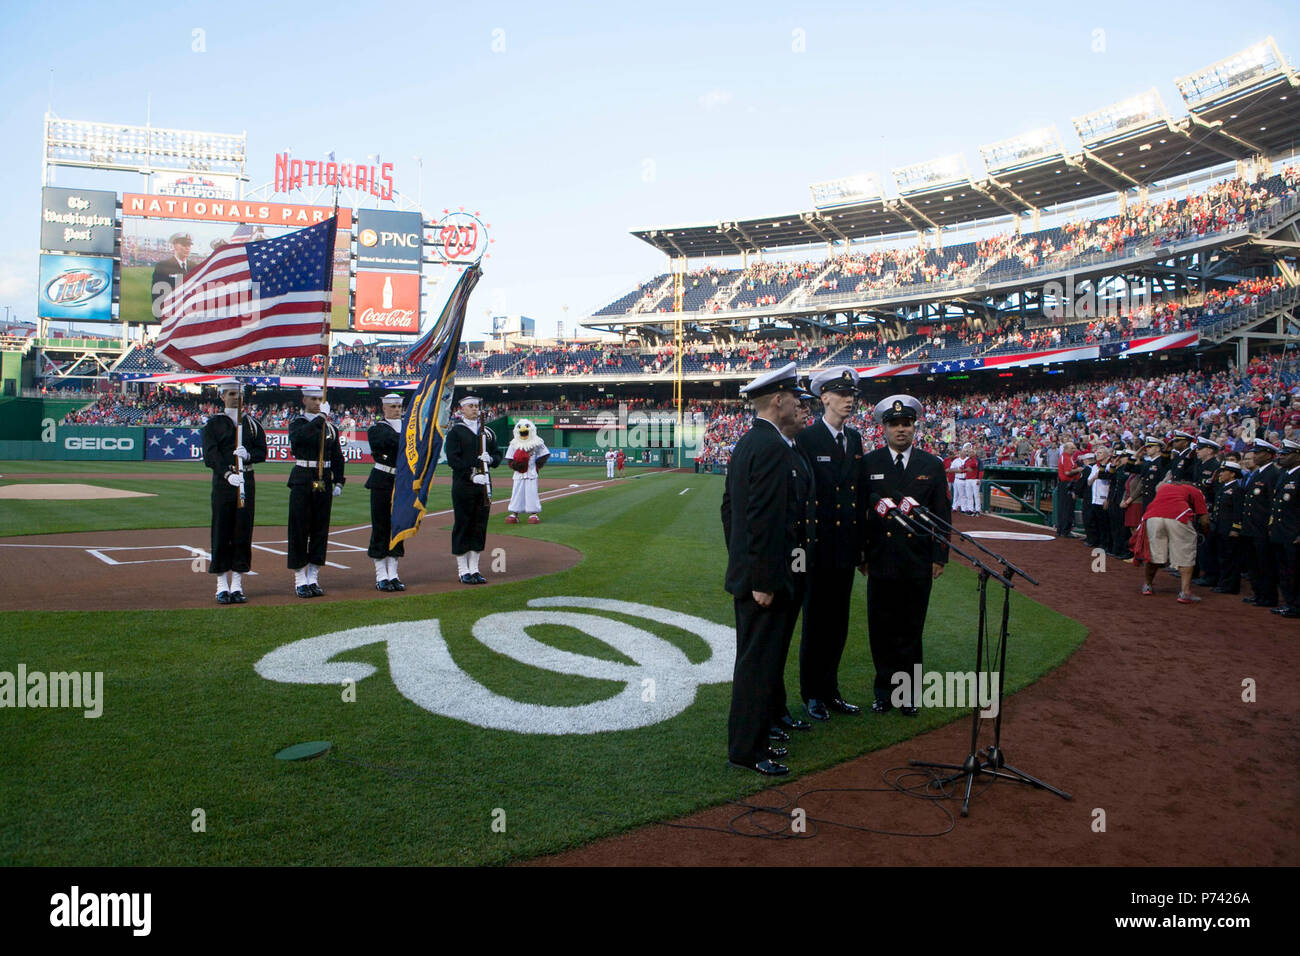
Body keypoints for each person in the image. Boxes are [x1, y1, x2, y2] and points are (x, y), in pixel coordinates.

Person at [722, 362, 815, 775]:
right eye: (794, 396)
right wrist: (762, 578)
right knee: (758, 667)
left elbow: (731, 513)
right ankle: (748, 750)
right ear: (778, 399)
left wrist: (742, 562)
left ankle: (753, 741)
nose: (798, 403)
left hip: (750, 574)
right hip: (765, 581)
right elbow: (765, 519)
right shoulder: (773, 448)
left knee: (754, 662)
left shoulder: (748, 444)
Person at [861, 394, 951, 715]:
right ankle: (883, 692)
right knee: (881, 628)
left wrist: (939, 556)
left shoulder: (931, 465)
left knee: (911, 630)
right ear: (883, 428)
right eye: (894, 424)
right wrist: (862, 556)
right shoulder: (869, 463)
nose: (901, 430)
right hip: (881, 558)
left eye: (906, 424)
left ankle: (908, 694)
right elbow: (862, 514)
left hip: (916, 559)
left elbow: (942, 513)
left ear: (915, 427)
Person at [795, 366, 865, 722]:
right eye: (841, 394)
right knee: (816, 624)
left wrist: (861, 548)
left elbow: (859, 497)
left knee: (838, 624)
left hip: (845, 548)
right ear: (824, 398)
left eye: (852, 395)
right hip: (817, 548)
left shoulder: (854, 440)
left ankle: (831, 689)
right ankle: (812, 694)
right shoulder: (807, 440)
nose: (849, 400)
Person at [201, 379, 267, 604]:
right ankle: (221, 585)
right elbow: (210, 455)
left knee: (242, 531)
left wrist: (248, 455)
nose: (235, 398)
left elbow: (262, 452)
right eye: (230, 394)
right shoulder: (214, 424)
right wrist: (227, 474)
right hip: (223, 482)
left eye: (238, 394)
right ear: (222, 396)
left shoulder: (251, 424)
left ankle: (237, 584)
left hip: (246, 479)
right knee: (221, 530)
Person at [286, 386, 345, 598]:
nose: (318, 402)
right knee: (300, 528)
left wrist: (339, 481)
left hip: (323, 479)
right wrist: (321, 417)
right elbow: (301, 439)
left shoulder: (330, 428)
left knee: (320, 529)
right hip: (303, 477)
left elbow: (337, 456)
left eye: (320, 398)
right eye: (313, 398)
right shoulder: (298, 423)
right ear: (304, 400)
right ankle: (300, 578)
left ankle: (313, 576)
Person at [445, 394, 501, 584]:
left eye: (477, 406)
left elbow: (498, 454)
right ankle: (463, 570)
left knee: (479, 525)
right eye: (471, 406)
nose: (475, 409)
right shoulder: (456, 432)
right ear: (462, 409)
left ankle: (475, 568)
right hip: (464, 484)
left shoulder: (487, 432)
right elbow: (453, 459)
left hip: (484, 483)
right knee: (463, 524)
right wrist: (471, 473)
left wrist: (491, 459)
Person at [1139, 479, 1209, 603]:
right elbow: (1204, 519)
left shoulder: (1165, 487)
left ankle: (1147, 585)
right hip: (1178, 516)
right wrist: (1206, 533)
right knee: (1185, 554)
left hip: (1152, 516)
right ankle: (1185, 592)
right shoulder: (1195, 491)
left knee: (1154, 554)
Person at [365, 393, 406, 592]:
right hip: (382, 480)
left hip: (401, 481)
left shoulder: (408, 428)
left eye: (399, 406)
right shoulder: (377, 428)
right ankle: (381, 574)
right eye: (393, 406)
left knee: (398, 527)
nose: (397, 409)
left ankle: (394, 573)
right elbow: (392, 442)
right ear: (384, 408)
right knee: (381, 525)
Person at [1241, 439, 1280, 608]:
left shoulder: (1273, 473)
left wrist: (1270, 525)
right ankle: (1258, 594)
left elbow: (1273, 502)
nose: (1254, 456)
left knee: (1265, 564)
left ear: (1269, 455)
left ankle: (1268, 597)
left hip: (1262, 526)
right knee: (1253, 564)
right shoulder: (1257, 473)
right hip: (1250, 526)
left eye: (1258, 453)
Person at [1267, 438, 1300, 618]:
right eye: (1280, 454)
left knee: (1295, 571)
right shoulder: (1284, 475)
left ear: (1297, 456)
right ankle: (1289, 602)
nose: (1281, 458)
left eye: (1286, 455)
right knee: (1284, 570)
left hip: (1294, 532)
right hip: (1281, 530)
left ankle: (1296, 605)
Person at [504, 418, 549, 524]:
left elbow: (545, 453)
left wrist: (538, 466)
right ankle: (514, 513)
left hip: (531, 472)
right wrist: (515, 465)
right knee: (516, 492)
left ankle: (533, 514)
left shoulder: (537, 441)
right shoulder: (514, 443)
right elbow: (510, 458)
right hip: (518, 473)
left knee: (531, 492)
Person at [1210, 460, 1244, 594]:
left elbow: (1238, 511)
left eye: (1223, 471)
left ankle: (1230, 585)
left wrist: (1236, 528)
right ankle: (1224, 583)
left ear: (1232, 474)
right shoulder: (1223, 487)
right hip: (1220, 527)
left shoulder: (1236, 489)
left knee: (1230, 559)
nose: (1221, 474)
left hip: (1229, 529)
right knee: (1223, 557)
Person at [151, 232, 194, 315]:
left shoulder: (195, 267)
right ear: (175, 246)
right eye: (184, 245)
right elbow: (157, 294)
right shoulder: (163, 266)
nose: (187, 248)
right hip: (171, 315)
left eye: (189, 245)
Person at [1055, 441, 1082, 537]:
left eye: (1074, 448)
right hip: (1067, 484)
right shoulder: (1066, 457)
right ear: (1066, 449)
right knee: (1067, 507)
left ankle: (1062, 529)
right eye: (1072, 448)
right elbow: (1067, 472)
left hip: (1065, 484)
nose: (1074, 450)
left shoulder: (1067, 457)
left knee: (1064, 507)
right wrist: (1078, 470)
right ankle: (1065, 530)